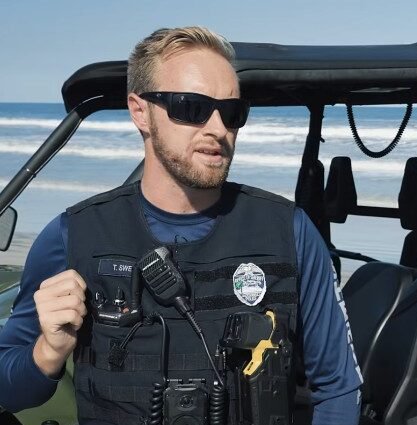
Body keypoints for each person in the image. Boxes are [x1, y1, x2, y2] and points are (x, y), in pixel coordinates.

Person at [0, 27, 362, 425]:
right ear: (140, 111)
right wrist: (49, 351)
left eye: (232, 112)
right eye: (191, 107)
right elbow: (8, 389)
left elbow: (339, 387)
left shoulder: (289, 232)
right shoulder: (72, 236)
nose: (217, 128)